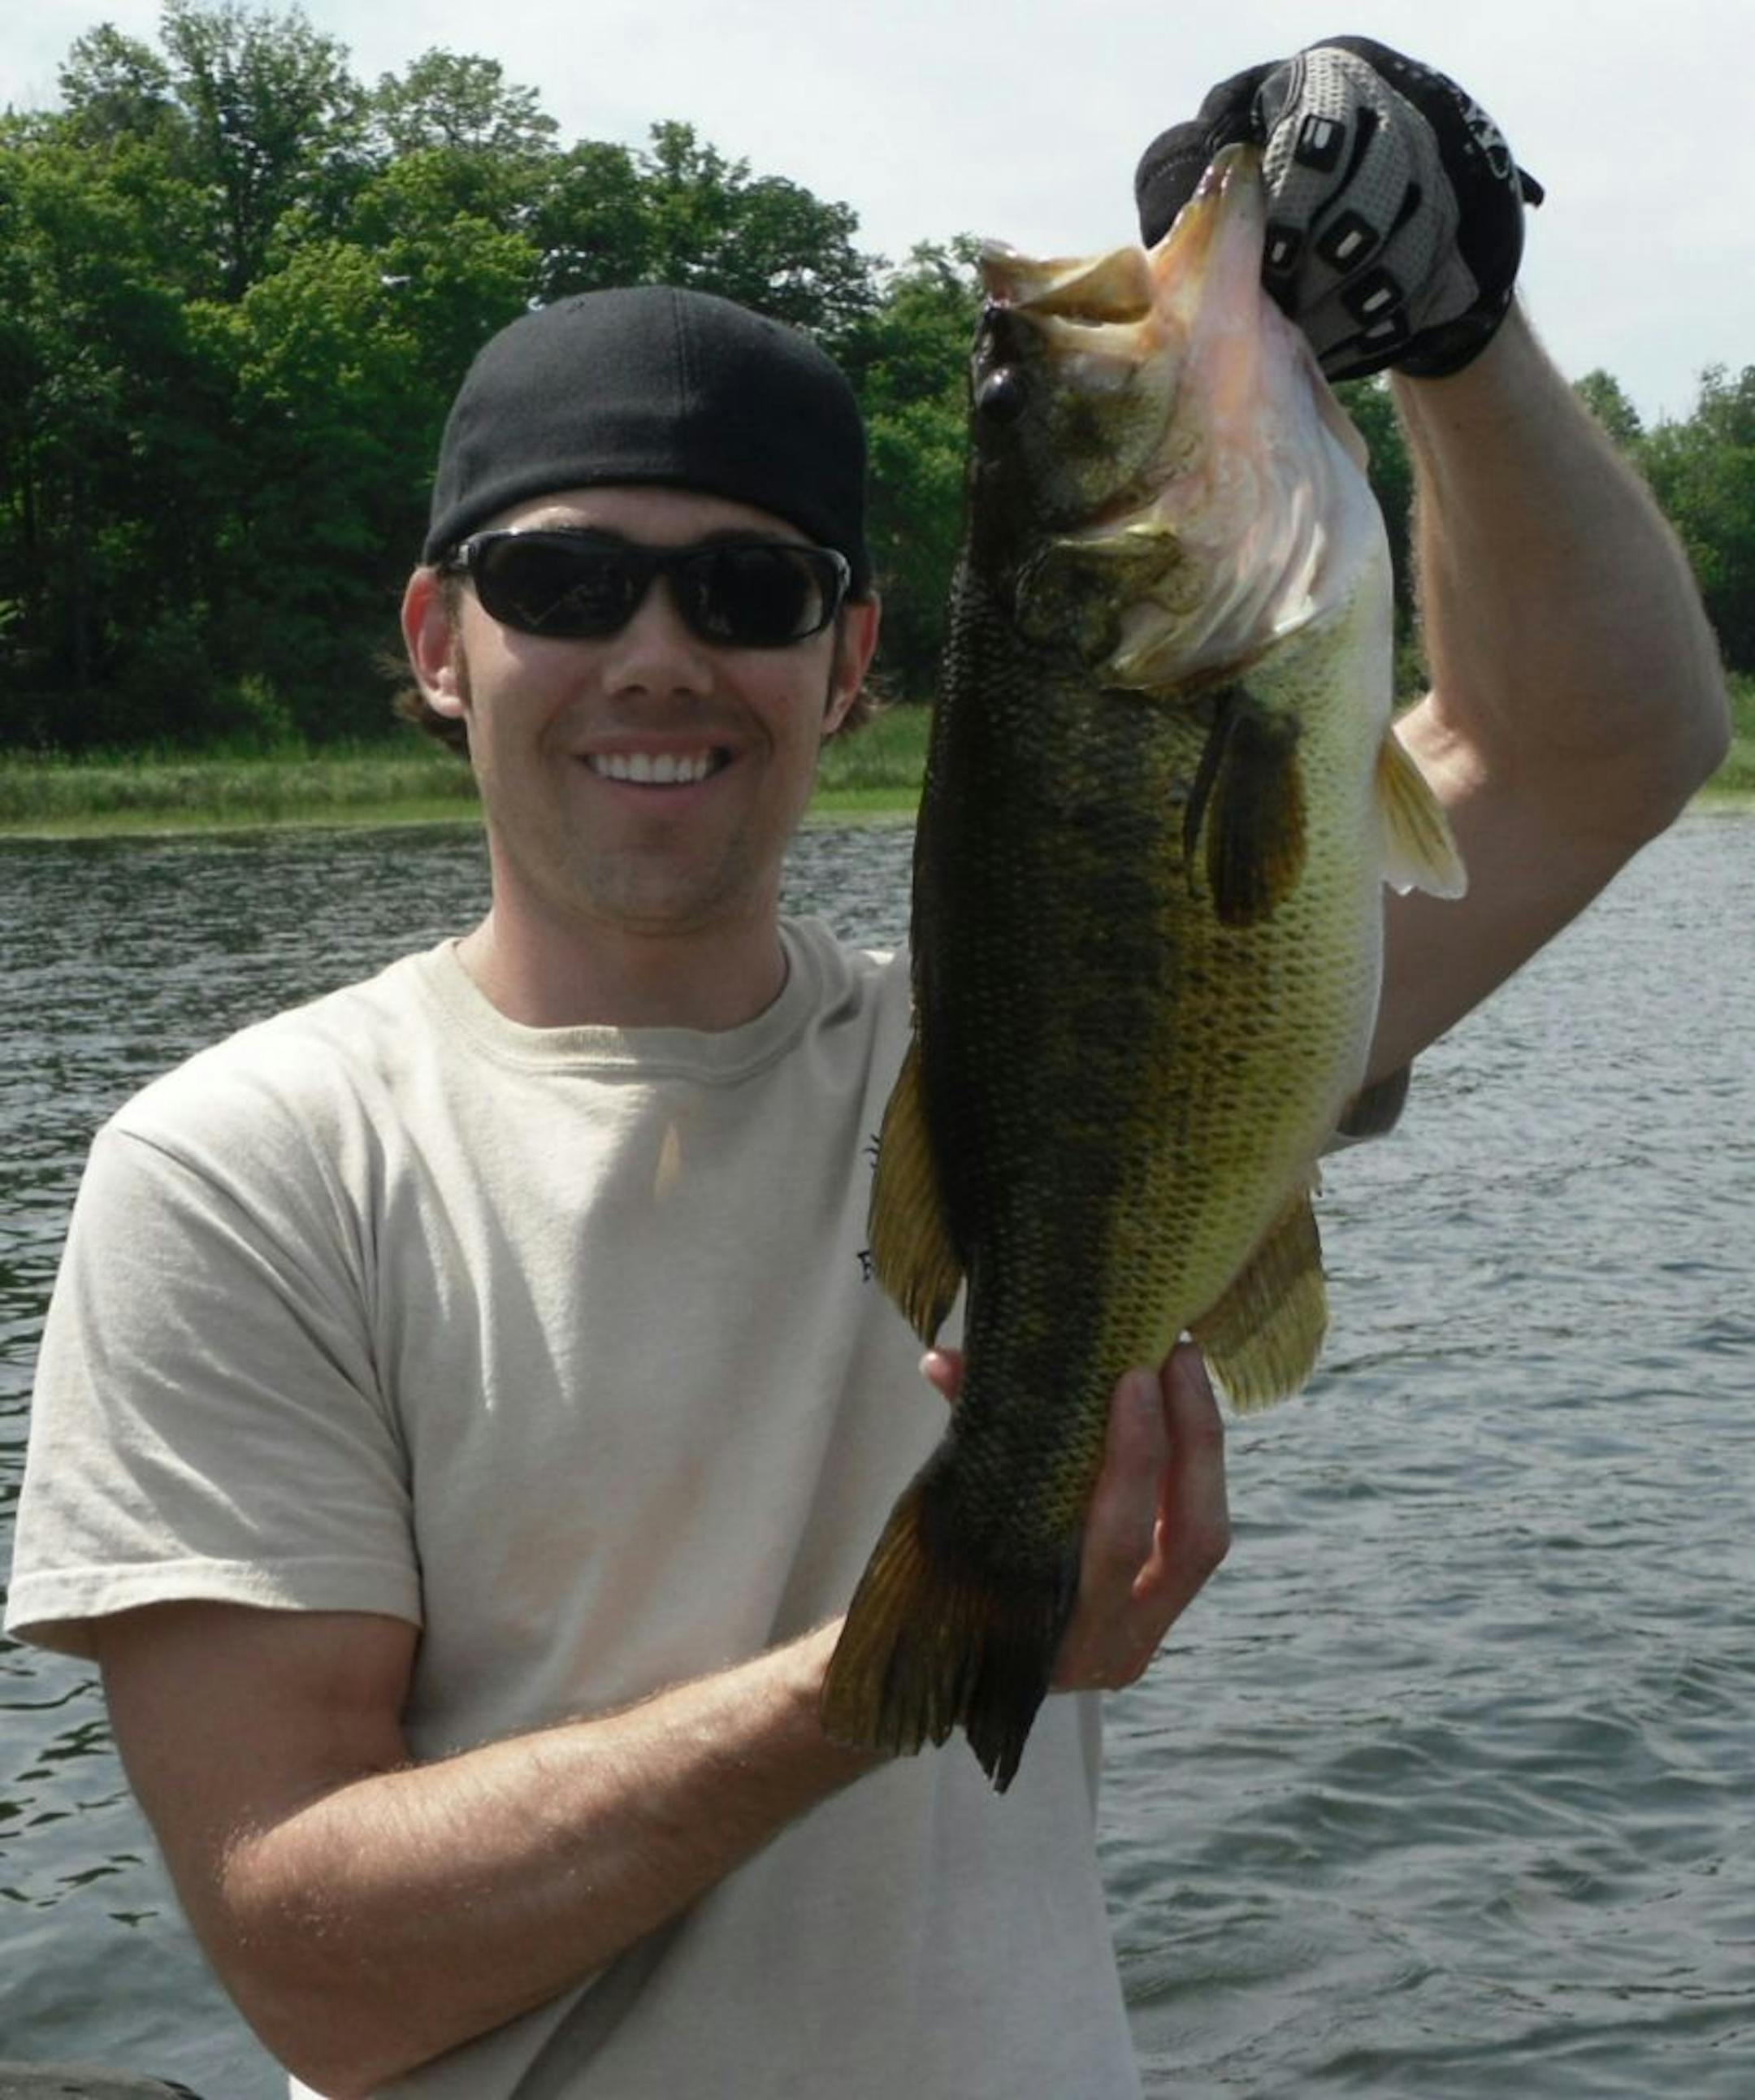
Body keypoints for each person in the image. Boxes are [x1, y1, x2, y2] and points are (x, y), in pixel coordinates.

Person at [5, 37, 1727, 2100]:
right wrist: (891, 1663)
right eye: (566, 580)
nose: (659, 651)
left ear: (850, 660)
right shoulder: (241, 1168)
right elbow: (320, 1965)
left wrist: (1457, 328)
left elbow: (1596, 745)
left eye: (747, 588)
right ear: (441, 640)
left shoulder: (1023, 1019)